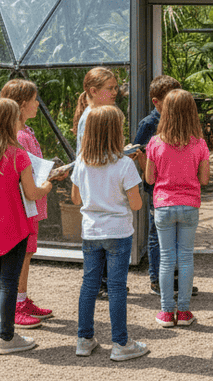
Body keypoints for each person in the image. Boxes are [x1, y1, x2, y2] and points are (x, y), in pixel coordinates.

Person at [0, 98, 54, 355]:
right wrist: (48, 185)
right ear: (9, 122)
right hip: (13, 225)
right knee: (9, 281)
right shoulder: (18, 155)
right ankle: (8, 338)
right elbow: (31, 193)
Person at [70, 104, 150, 361]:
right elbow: (136, 204)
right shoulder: (125, 164)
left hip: (91, 232)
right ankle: (120, 343)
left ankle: (84, 339)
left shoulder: (81, 162)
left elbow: (75, 198)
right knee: (116, 287)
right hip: (118, 232)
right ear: (116, 132)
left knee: (89, 285)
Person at [145, 89, 210, 327]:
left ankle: (165, 311)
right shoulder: (200, 144)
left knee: (165, 259)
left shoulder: (154, 143)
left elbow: (150, 179)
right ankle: (183, 312)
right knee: (185, 258)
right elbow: (204, 180)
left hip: (163, 205)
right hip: (189, 205)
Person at [133, 74, 194, 298]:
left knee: (179, 238)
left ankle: (178, 279)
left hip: (179, 191)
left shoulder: (182, 122)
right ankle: (157, 279)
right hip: (157, 189)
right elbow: (136, 152)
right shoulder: (149, 124)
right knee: (156, 236)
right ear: (156, 102)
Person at [0, 79, 51, 328]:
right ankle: (17, 304)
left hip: (32, 201)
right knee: (24, 255)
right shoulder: (19, 136)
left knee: (28, 252)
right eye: (33, 100)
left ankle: (21, 298)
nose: (37, 104)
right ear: (21, 104)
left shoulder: (24, 133)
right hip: (26, 204)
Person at [72, 67, 121, 297]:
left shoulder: (97, 113)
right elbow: (85, 156)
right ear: (93, 90)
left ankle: (104, 280)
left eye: (115, 88)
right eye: (110, 89)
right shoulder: (90, 117)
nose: (115, 93)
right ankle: (102, 282)